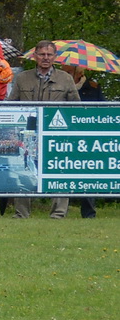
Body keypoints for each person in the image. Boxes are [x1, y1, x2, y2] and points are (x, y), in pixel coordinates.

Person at [11, 39, 81, 218]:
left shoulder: (66, 79)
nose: (45, 58)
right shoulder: (22, 78)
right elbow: (11, 104)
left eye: (49, 54)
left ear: (55, 57)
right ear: (35, 56)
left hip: (57, 134)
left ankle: (58, 214)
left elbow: (77, 106)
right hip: (28, 133)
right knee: (23, 170)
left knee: (60, 170)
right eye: (42, 54)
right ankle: (21, 214)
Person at [67, 65, 105, 218]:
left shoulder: (93, 87)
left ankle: (89, 212)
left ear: (79, 71)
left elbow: (103, 110)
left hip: (87, 134)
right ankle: (60, 211)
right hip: (66, 133)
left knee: (87, 171)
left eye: (69, 69)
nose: (65, 71)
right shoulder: (62, 84)